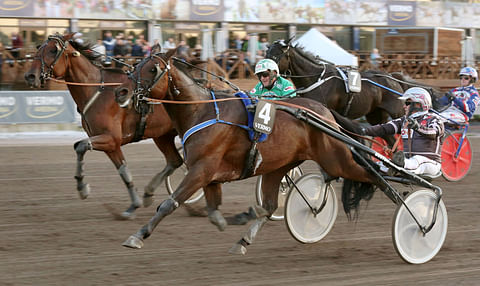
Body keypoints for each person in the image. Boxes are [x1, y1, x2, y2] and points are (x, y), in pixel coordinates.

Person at [361, 87, 444, 177]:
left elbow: (433, 133)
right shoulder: (404, 120)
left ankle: (398, 165)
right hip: (408, 161)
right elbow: (384, 128)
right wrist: (362, 131)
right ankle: (393, 166)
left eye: (407, 103)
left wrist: (417, 127)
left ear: (419, 104)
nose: (404, 106)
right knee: (379, 165)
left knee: (417, 160)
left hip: (430, 163)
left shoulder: (434, 119)